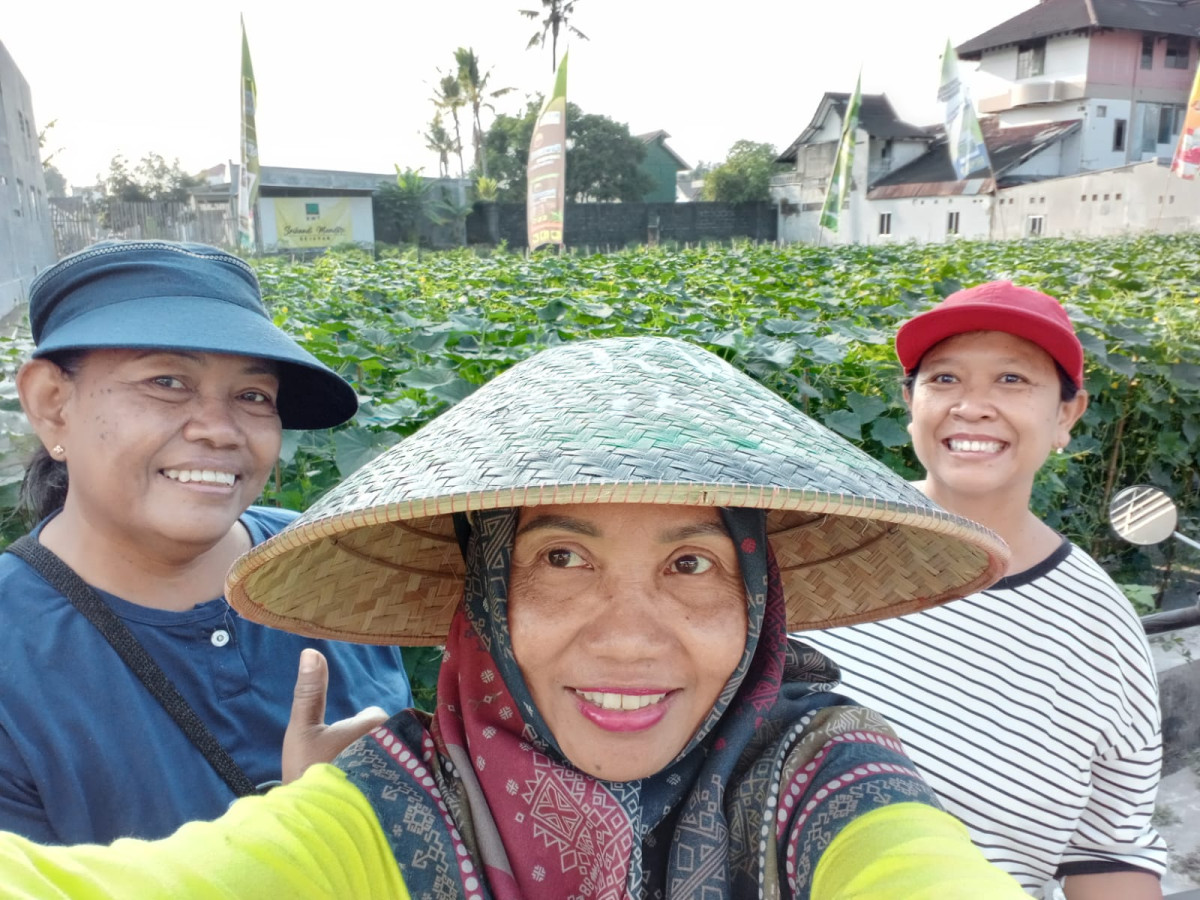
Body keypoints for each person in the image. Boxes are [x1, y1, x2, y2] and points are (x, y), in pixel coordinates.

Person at [0, 336, 1026, 898]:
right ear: (486, 596)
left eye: (692, 562)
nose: (629, 634)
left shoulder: (820, 783)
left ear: (758, 596)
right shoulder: (402, 810)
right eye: (561, 557)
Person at [0, 240, 413, 845]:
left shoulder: (333, 558)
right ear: (52, 403)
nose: (219, 430)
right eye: (167, 381)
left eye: (253, 397)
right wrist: (307, 839)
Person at [803, 282, 1167, 899]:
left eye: (1012, 380)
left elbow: (1109, 850)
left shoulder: (1100, 625)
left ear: (1066, 416)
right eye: (944, 379)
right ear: (910, 403)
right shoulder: (816, 547)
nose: (971, 406)